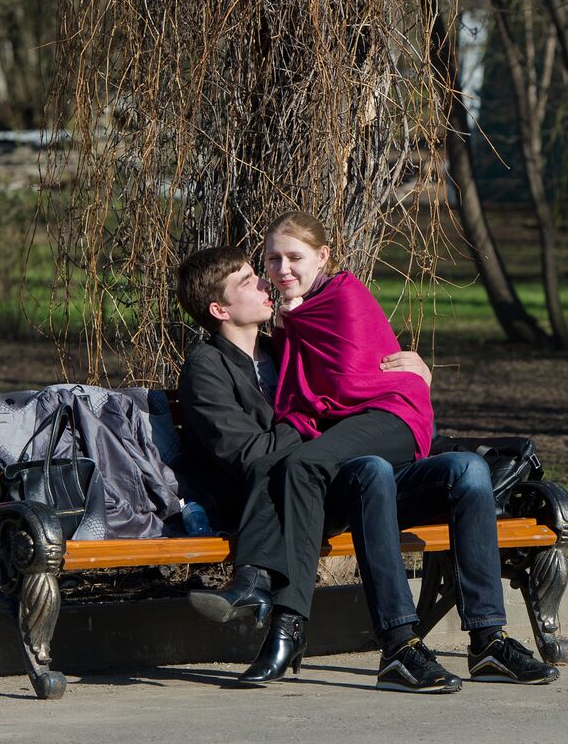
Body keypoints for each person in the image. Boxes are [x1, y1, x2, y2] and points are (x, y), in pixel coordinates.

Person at [174, 245, 429, 684]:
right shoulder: (206, 367)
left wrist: (416, 375)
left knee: (373, 469)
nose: (264, 283)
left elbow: (355, 395)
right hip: (256, 502)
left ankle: (396, 643)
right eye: (247, 280)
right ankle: (285, 623)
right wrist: (311, 417)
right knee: (342, 471)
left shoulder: (284, 347)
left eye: (258, 274)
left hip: (317, 488)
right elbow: (249, 456)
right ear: (219, 308)